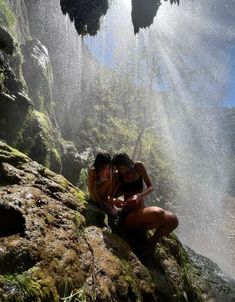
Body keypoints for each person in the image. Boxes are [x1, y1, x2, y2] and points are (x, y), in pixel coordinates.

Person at [111, 152, 179, 247]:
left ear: (126, 163)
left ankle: (151, 242)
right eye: (118, 168)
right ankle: (141, 238)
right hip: (129, 215)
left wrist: (139, 196)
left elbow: (150, 187)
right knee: (158, 213)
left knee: (173, 220)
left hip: (141, 210)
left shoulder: (138, 166)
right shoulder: (117, 175)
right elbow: (110, 196)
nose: (120, 170)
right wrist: (115, 201)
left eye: (121, 167)